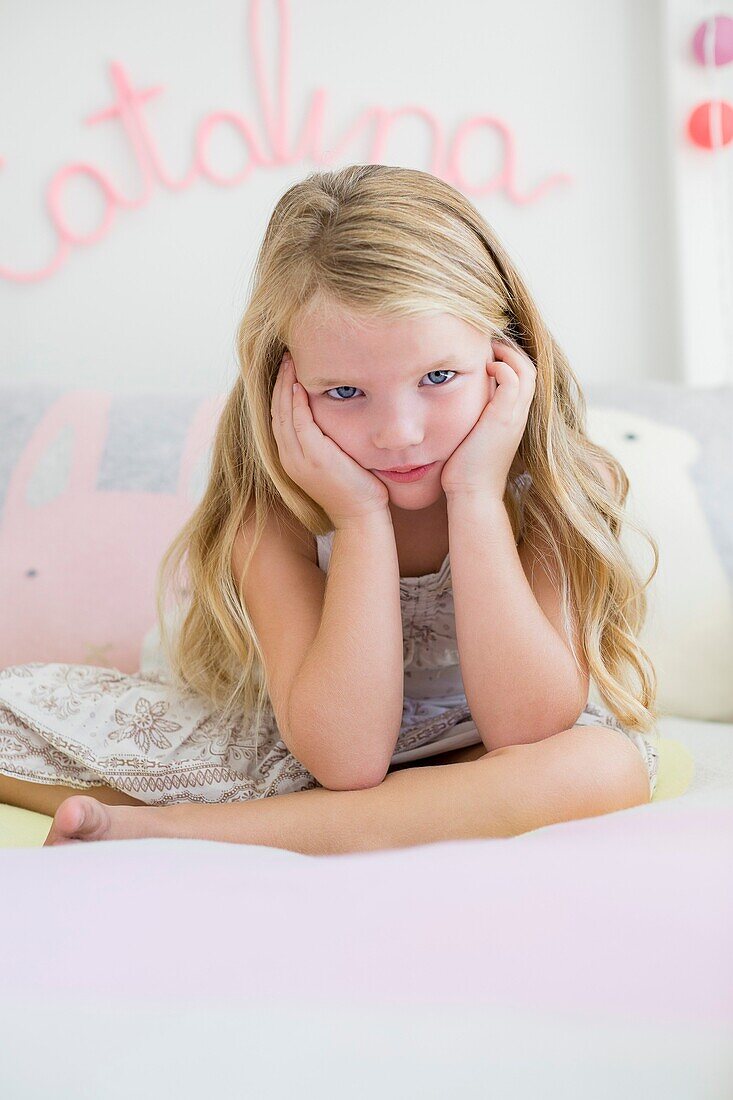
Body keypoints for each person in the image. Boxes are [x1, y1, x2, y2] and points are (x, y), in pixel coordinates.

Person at [0, 164, 660, 853]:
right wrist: (359, 521)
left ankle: (178, 829)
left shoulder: (560, 487)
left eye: (437, 377)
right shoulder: (276, 509)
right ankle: (376, 815)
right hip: (305, 739)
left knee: (600, 769)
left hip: (481, 745)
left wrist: (475, 498)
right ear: (286, 384)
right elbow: (345, 758)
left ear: (506, 356)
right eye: (344, 392)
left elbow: (529, 730)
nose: (397, 432)